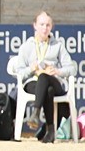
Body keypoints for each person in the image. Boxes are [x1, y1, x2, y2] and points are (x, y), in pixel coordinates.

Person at [6, 11, 75, 142]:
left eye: (48, 25)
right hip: (33, 82)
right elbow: (19, 72)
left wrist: (57, 71)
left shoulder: (58, 45)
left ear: (51, 27)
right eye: (42, 24)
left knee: (46, 79)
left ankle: (35, 113)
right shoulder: (26, 47)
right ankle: (50, 131)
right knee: (47, 89)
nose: (45, 28)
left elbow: (72, 68)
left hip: (54, 81)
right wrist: (31, 69)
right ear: (35, 26)